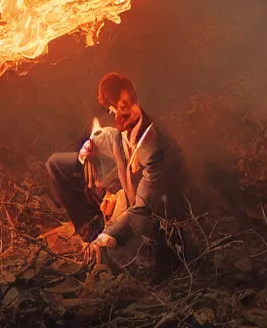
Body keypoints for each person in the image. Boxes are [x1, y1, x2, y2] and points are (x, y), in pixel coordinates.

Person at [44, 71, 187, 277]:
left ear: (134, 100)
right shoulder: (122, 129)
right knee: (57, 164)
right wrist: (88, 154)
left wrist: (107, 234)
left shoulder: (156, 148)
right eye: (113, 109)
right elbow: (104, 139)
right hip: (125, 197)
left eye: (123, 107)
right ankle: (90, 227)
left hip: (152, 217)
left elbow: (142, 209)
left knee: (119, 256)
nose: (117, 115)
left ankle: (108, 244)